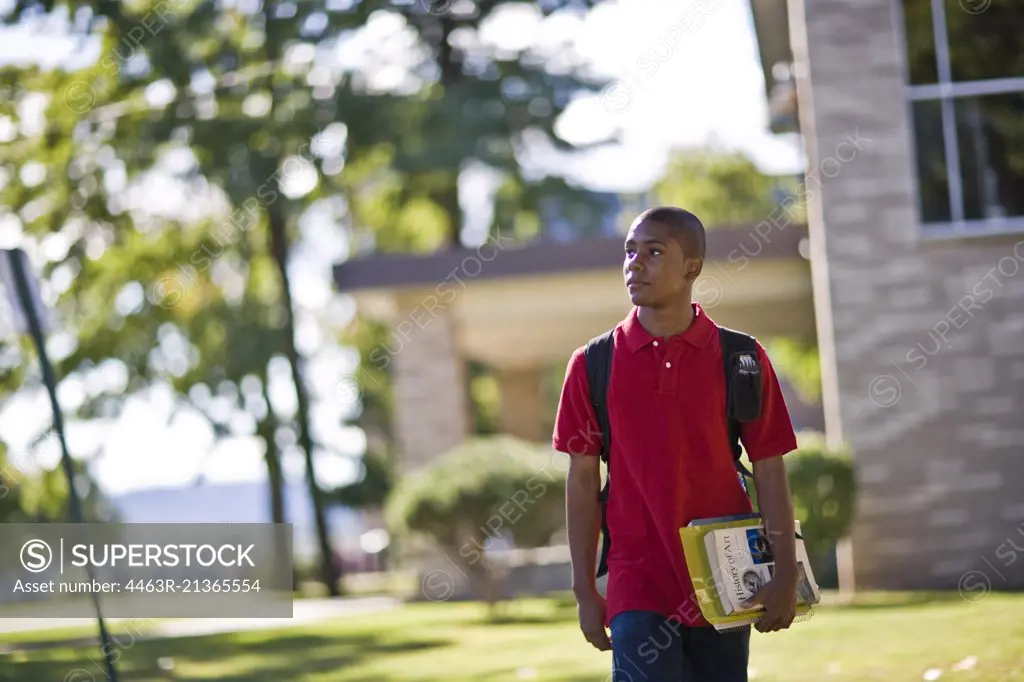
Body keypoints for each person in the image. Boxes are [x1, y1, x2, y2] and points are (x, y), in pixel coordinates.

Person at [553, 206, 801, 682]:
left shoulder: (741, 358)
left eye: (654, 251)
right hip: (636, 582)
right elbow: (582, 480)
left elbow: (769, 466)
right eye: (629, 251)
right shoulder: (592, 364)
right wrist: (585, 589)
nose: (634, 263)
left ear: (693, 266)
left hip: (727, 577)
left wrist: (785, 572)